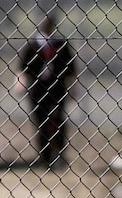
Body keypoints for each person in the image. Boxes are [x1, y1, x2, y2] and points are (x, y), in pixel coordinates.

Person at [17, 15, 77, 169]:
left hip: (57, 89)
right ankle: (45, 156)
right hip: (37, 90)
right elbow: (22, 68)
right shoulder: (32, 46)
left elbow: (71, 69)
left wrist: (73, 87)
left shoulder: (61, 45)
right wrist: (20, 83)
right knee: (41, 122)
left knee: (58, 120)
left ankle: (59, 152)